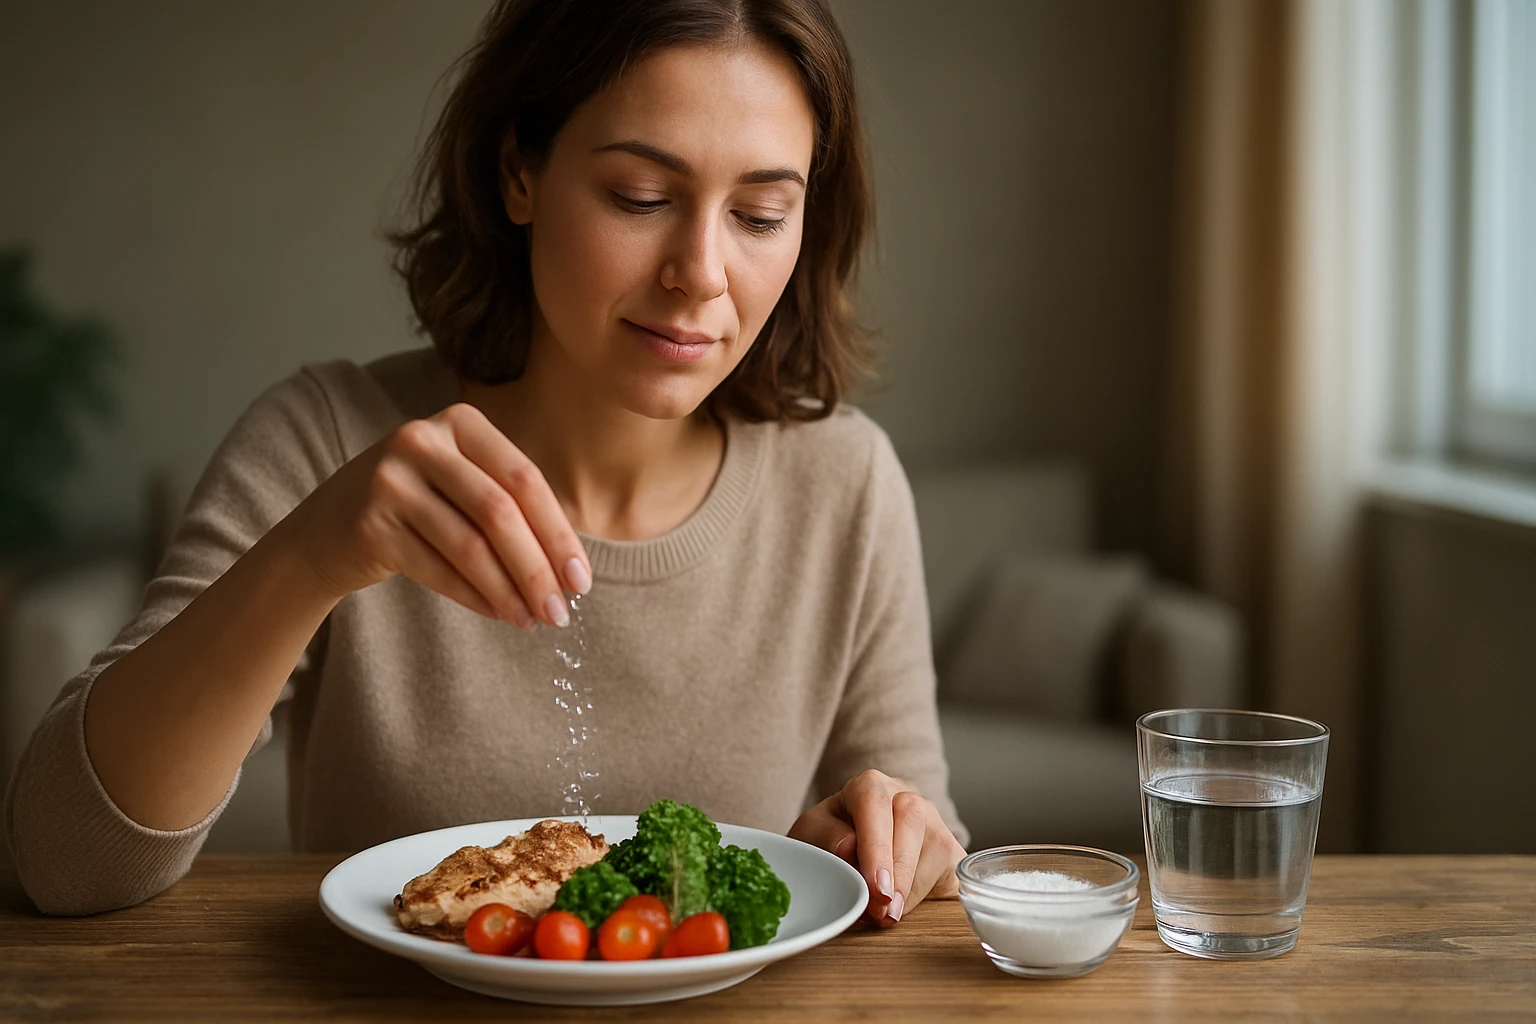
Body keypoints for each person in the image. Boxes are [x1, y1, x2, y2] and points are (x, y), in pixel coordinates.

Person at [4, 0, 968, 927]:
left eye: (760, 215)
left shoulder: (845, 483)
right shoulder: (328, 437)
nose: (702, 272)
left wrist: (891, 847)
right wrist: (311, 557)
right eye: (641, 197)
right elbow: (63, 863)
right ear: (518, 172)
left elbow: (922, 848)